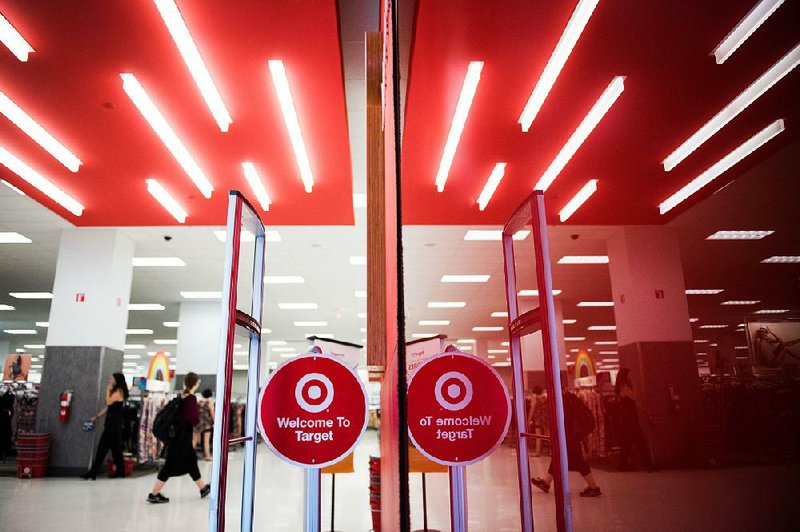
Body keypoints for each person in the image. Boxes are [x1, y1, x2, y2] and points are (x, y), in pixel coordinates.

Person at [531, 374, 601, 497]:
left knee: (577, 460)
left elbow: (564, 419)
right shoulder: (569, 398)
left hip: (569, 435)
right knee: (558, 457)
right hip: (570, 434)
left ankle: (593, 487)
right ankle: (546, 483)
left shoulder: (563, 400)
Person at [147, 372, 210, 503]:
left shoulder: (181, 397)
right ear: (196, 384)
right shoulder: (191, 399)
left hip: (177, 437)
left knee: (191, 461)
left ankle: (203, 488)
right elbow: (192, 419)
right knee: (170, 465)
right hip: (182, 438)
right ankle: (154, 493)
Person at [81, 373, 128, 479]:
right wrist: (97, 416)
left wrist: (108, 389)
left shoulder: (119, 392)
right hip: (113, 425)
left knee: (102, 449)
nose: (110, 380)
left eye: (112, 378)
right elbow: (108, 407)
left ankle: (92, 473)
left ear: (117, 380)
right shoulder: (116, 391)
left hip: (113, 425)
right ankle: (121, 472)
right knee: (116, 451)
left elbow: (108, 401)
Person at [616, 368, 654, 471]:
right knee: (640, 441)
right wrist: (634, 385)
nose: (631, 377)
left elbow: (634, 403)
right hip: (630, 419)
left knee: (627, 443)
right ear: (625, 376)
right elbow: (634, 397)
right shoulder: (623, 386)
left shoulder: (622, 387)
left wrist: (646, 412)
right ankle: (649, 465)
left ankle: (622, 465)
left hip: (628, 419)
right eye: (629, 374)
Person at [527, 385, 548, 457]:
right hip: (546, 417)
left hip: (538, 418)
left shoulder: (535, 398)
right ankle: (552, 451)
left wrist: (529, 419)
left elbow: (532, 409)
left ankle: (537, 452)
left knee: (538, 435)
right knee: (549, 435)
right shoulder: (546, 397)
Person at [199, 388, 214, 461]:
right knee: (206, 440)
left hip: (198, 423)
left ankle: (187, 455)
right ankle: (207, 456)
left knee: (195, 440)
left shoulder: (199, 401)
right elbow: (212, 413)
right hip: (207, 423)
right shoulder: (209, 402)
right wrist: (214, 421)